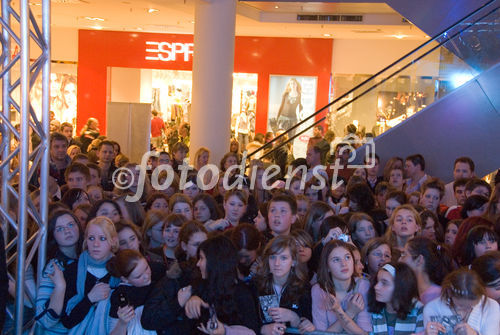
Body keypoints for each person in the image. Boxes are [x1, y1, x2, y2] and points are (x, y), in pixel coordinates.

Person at [183, 235, 261, 334]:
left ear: (215, 262)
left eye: (202, 258)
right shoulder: (200, 287)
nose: (198, 264)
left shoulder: (242, 294)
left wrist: (225, 331)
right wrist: (192, 302)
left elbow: (253, 331)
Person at [60, 216, 120, 334]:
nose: (96, 244)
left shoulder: (120, 269)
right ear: (85, 240)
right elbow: (67, 321)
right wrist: (89, 299)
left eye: (102, 238)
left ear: (113, 241)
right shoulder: (73, 270)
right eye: (91, 238)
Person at [35, 210, 83, 334]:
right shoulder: (55, 266)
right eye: (60, 229)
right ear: (53, 236)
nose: (67, 230)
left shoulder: (88, 259)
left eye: (71, 225)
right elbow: (43, 319)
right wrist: (60, 287)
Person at [256, 236, 315, 335]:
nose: (277, 263)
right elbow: (247, 322)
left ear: (294, 261)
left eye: (283, 258)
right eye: (273, 257)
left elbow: (308, 323)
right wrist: (262, 329)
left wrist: (293, 317)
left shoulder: (304, 288)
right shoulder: (256, 286)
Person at [312, 240, 372, 334]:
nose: (344, 264)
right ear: (327, 266)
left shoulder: (363, 285)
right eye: (336, 260)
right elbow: (321, 333)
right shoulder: (318, 290)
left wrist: (338, 311)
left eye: (347, 257)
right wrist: (349, 313)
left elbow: (364, 334)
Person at [423, 268, 500, 335]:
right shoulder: (433, 309)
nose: (467, 309)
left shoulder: (491, 306)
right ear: (449, 293)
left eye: (473, 305)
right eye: (461, 306)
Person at [106, 250, 157, 335]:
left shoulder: (158, 274)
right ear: (125, 279)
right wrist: (122, 323)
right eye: (138, 276)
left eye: (146, 268)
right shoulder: (120, 294)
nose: (146, 276)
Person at [368, 262, 424, 334]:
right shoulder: (375, 312)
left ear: (400, 286)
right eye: (377, 281)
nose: (376, 287)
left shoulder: (418, 310)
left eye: (384, 283)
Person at [399, 237, 452, 304]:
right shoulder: (420, 294)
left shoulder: (434, 296)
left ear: (419, 260)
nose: (399, 260)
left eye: (404, 255)